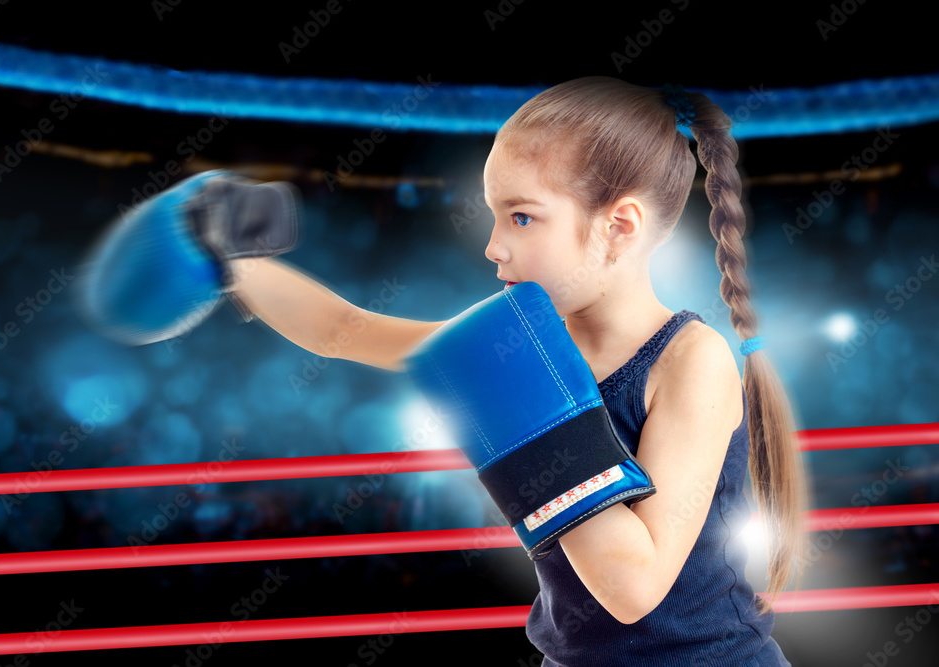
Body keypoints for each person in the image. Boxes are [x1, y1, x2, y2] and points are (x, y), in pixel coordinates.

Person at [225, 77, 809, 666]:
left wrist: (533, 420)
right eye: (494, 216)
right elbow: (340, 329)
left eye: (522, 218)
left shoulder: (691, 360)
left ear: (620, 226)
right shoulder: (514, 344)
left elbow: (634, 589)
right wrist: (227, 259)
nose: (494, 246)